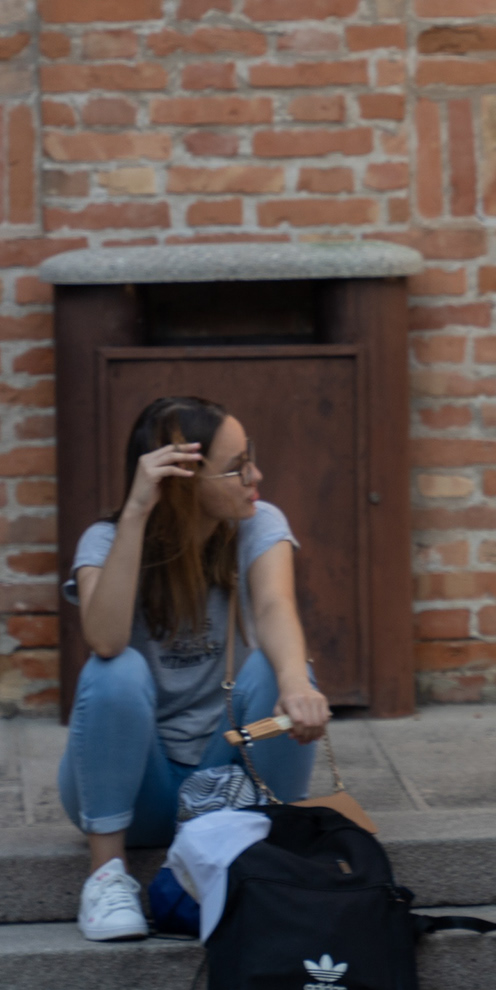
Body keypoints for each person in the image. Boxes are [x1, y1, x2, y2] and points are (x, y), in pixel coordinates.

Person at [59, 395, 324, 941]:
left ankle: (280, 854)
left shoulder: (259, 524)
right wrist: (137, 513)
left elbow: (274, 607)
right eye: (237, 467)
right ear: (184, 484)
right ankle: (106, 878)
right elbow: (105, 638)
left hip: (227, 777)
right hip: (139, 788)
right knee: (114, 670)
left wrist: (297, 684)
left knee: (280, 669)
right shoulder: (104, 541)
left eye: (251, 459)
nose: (255, 476)